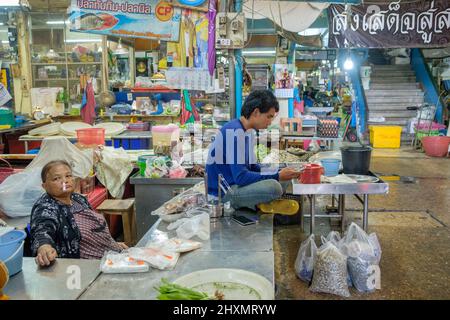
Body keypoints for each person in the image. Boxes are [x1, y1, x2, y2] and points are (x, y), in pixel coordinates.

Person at [206, 90, 299, 210]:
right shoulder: (234, 132)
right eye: (269, 117)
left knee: (285, 179)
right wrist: (277, 176)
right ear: (256, 112)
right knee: (274, 187)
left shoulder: (247, 131)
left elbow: (253, 166)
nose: (270, 122)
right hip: (223, 194)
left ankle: (258, 203)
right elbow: (241, 177)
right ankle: (257, 203)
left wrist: (279, 171)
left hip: (236, 184)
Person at [30, 160, 128, 267]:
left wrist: (112, 244)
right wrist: (44, 247)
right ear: (44, 186)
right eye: (57, 178)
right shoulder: (45, 206)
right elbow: (42, 228)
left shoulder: (79, 199)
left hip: (110, 255)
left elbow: (94, 229)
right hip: (87, 267)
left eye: (68, 176)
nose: (64, 181)